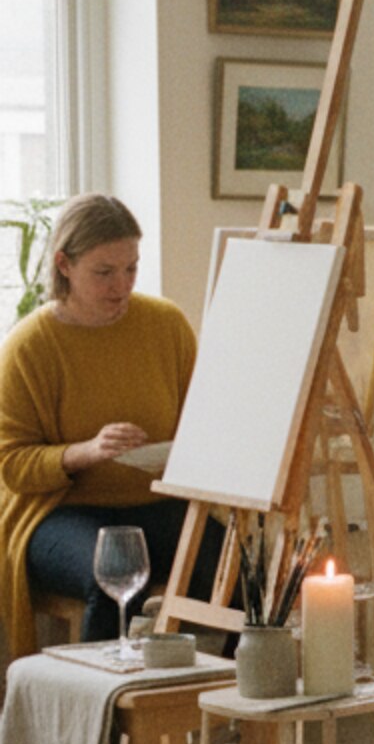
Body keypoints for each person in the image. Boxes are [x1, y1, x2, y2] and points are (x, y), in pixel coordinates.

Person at [0, 195, 216, 661]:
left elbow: (201, 421)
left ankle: (214, 709)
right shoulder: (29, 346)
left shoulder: (166, 325)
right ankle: (100, 718)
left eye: (131, 269)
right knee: (115, 572)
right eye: (105, 272)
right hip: (61, 514)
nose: (122, 286)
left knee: (233, 567)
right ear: (64, 265)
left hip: (157, 503)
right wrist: (85, 452)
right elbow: (11, 465)